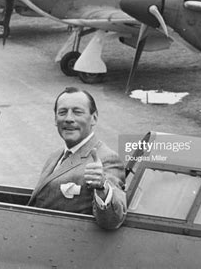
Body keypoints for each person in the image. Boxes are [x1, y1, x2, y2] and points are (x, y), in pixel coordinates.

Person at [28, 87, 127, 230]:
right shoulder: (55, 156)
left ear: (94, 118)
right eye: (62, 112)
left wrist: (102, 186)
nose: (68, 119)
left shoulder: (106, 158)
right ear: (55, 119)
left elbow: (113, 220)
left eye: (77, 112)